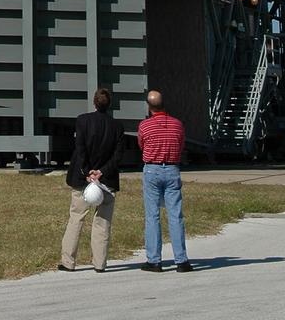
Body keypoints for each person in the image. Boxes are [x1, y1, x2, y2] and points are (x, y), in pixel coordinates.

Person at [58, 86, 125, 273]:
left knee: (76, 218)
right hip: (107, 180)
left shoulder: (82, 121)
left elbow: (81, 149)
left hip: (82, 179)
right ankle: (100, 263)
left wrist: (87, 172)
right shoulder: (117, 127)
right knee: (103, 222)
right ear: (110, 105)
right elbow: (118, 156)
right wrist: (101, 172)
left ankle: (68, 261)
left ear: (94, 102)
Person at [136, 88, 193, 272]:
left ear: (149, 106)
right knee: (175, 215)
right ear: (163, 104)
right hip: (172, 169)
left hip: (152, 169)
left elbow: (141, 145)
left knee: (152, 216)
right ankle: (181, 260)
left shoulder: (145, 126)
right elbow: (181, 144)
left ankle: (154, 260)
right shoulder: (177, 124)